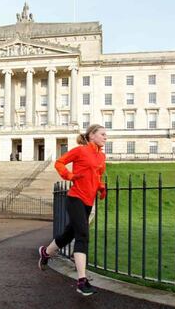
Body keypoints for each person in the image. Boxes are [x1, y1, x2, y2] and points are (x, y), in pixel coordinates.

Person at [38, 124, 107, 296]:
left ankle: (46, 253)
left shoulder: (102, 156)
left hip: (88, 200)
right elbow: (59, 162)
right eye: (102, 134)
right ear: (92, 135)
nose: (106, 137)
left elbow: (96, 175)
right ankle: (82, 281)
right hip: (75, 198)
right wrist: (68, 176)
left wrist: (100, 186)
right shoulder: (80, 151)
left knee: (70, 233)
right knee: (82, 235)